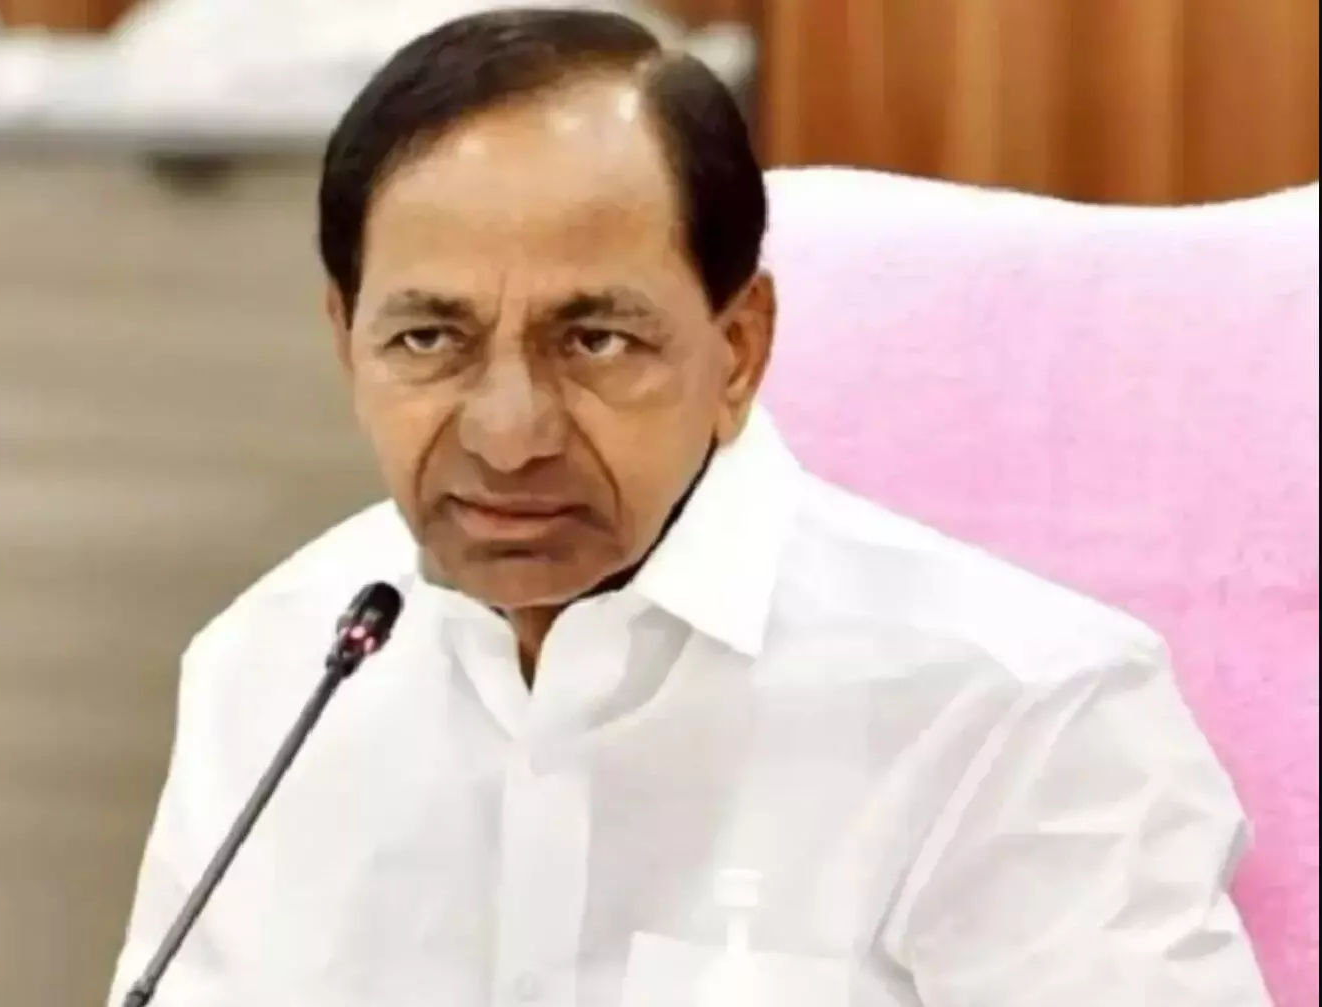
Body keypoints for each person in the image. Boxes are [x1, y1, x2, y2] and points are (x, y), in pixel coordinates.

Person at [109, 8, 1273, 1006]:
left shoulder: (1021, 712)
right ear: (345, 338)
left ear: (737, 347)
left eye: (594, 339)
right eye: (427, 339)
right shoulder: (273, 666)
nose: (508, 434)